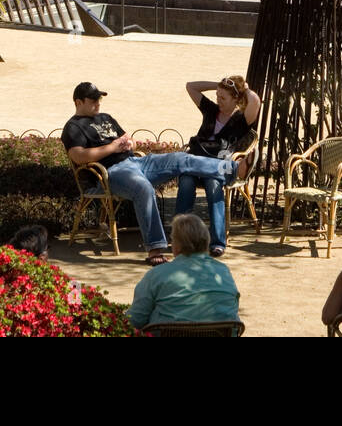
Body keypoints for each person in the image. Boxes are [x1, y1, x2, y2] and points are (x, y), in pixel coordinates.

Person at [61, 82, 239, 266]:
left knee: (181, 158)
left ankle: (231, 169)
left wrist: (129, 143)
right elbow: (79, 156)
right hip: (110, 173)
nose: (98, 103)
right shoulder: (73, 127)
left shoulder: (105, 117)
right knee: (143, 188)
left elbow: (131, 141)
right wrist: (112, 147)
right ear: (78, 102)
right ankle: (155, 248)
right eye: (93, 100)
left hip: (136, 162)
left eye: (99, 99)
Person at [178, 76, 261, 257]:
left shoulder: (241, 120)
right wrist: (218, 86)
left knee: (213, 184)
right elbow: (190, 85)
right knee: (185, 182)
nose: (219, 101)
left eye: (223, 98)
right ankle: (180, 239)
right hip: (196, 160)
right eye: (217, 96)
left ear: (236, 100)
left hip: (218, 166)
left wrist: (244, 89)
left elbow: (255, 101)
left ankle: (217, 242)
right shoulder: (211, 110)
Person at [127, 214, 240, 331]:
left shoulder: (157, 274)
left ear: (177, 246)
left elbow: (135, 319)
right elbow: (233, 314)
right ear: (207, 241)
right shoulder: (223, 272)